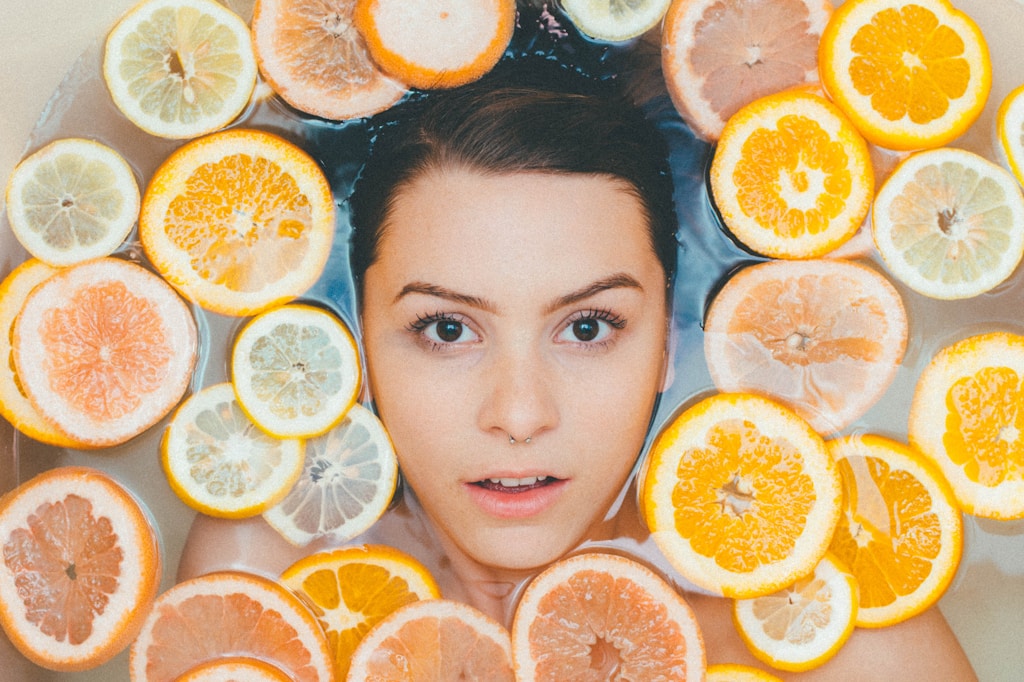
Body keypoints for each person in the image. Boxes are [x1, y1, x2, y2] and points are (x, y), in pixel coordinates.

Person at [179, 58, 977, 679]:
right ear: (358, 346)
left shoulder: (824, 625)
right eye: (447, 327)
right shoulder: (272, 589)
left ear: (668, 342)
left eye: (588, 326)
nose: (520, 414)